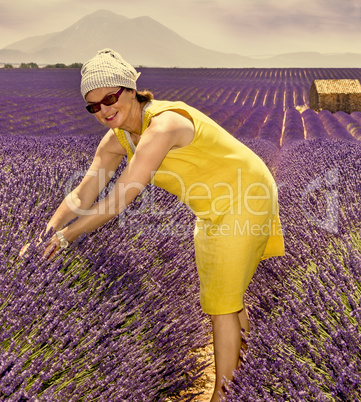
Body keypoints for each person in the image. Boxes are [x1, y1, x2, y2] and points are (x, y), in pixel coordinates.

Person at [21, 49, 285, 401]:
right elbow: (85, 192)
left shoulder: (164, 124)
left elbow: (119, 199)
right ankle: (248, 378)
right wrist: (45, 234)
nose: (103, 110)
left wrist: (68, 237)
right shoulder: (117, 139)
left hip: (245, 198)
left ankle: (223, 395)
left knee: (221, 303)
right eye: (93, 106)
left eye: (110, 98)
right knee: (224, 296)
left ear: (130, 90)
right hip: (210, 208)